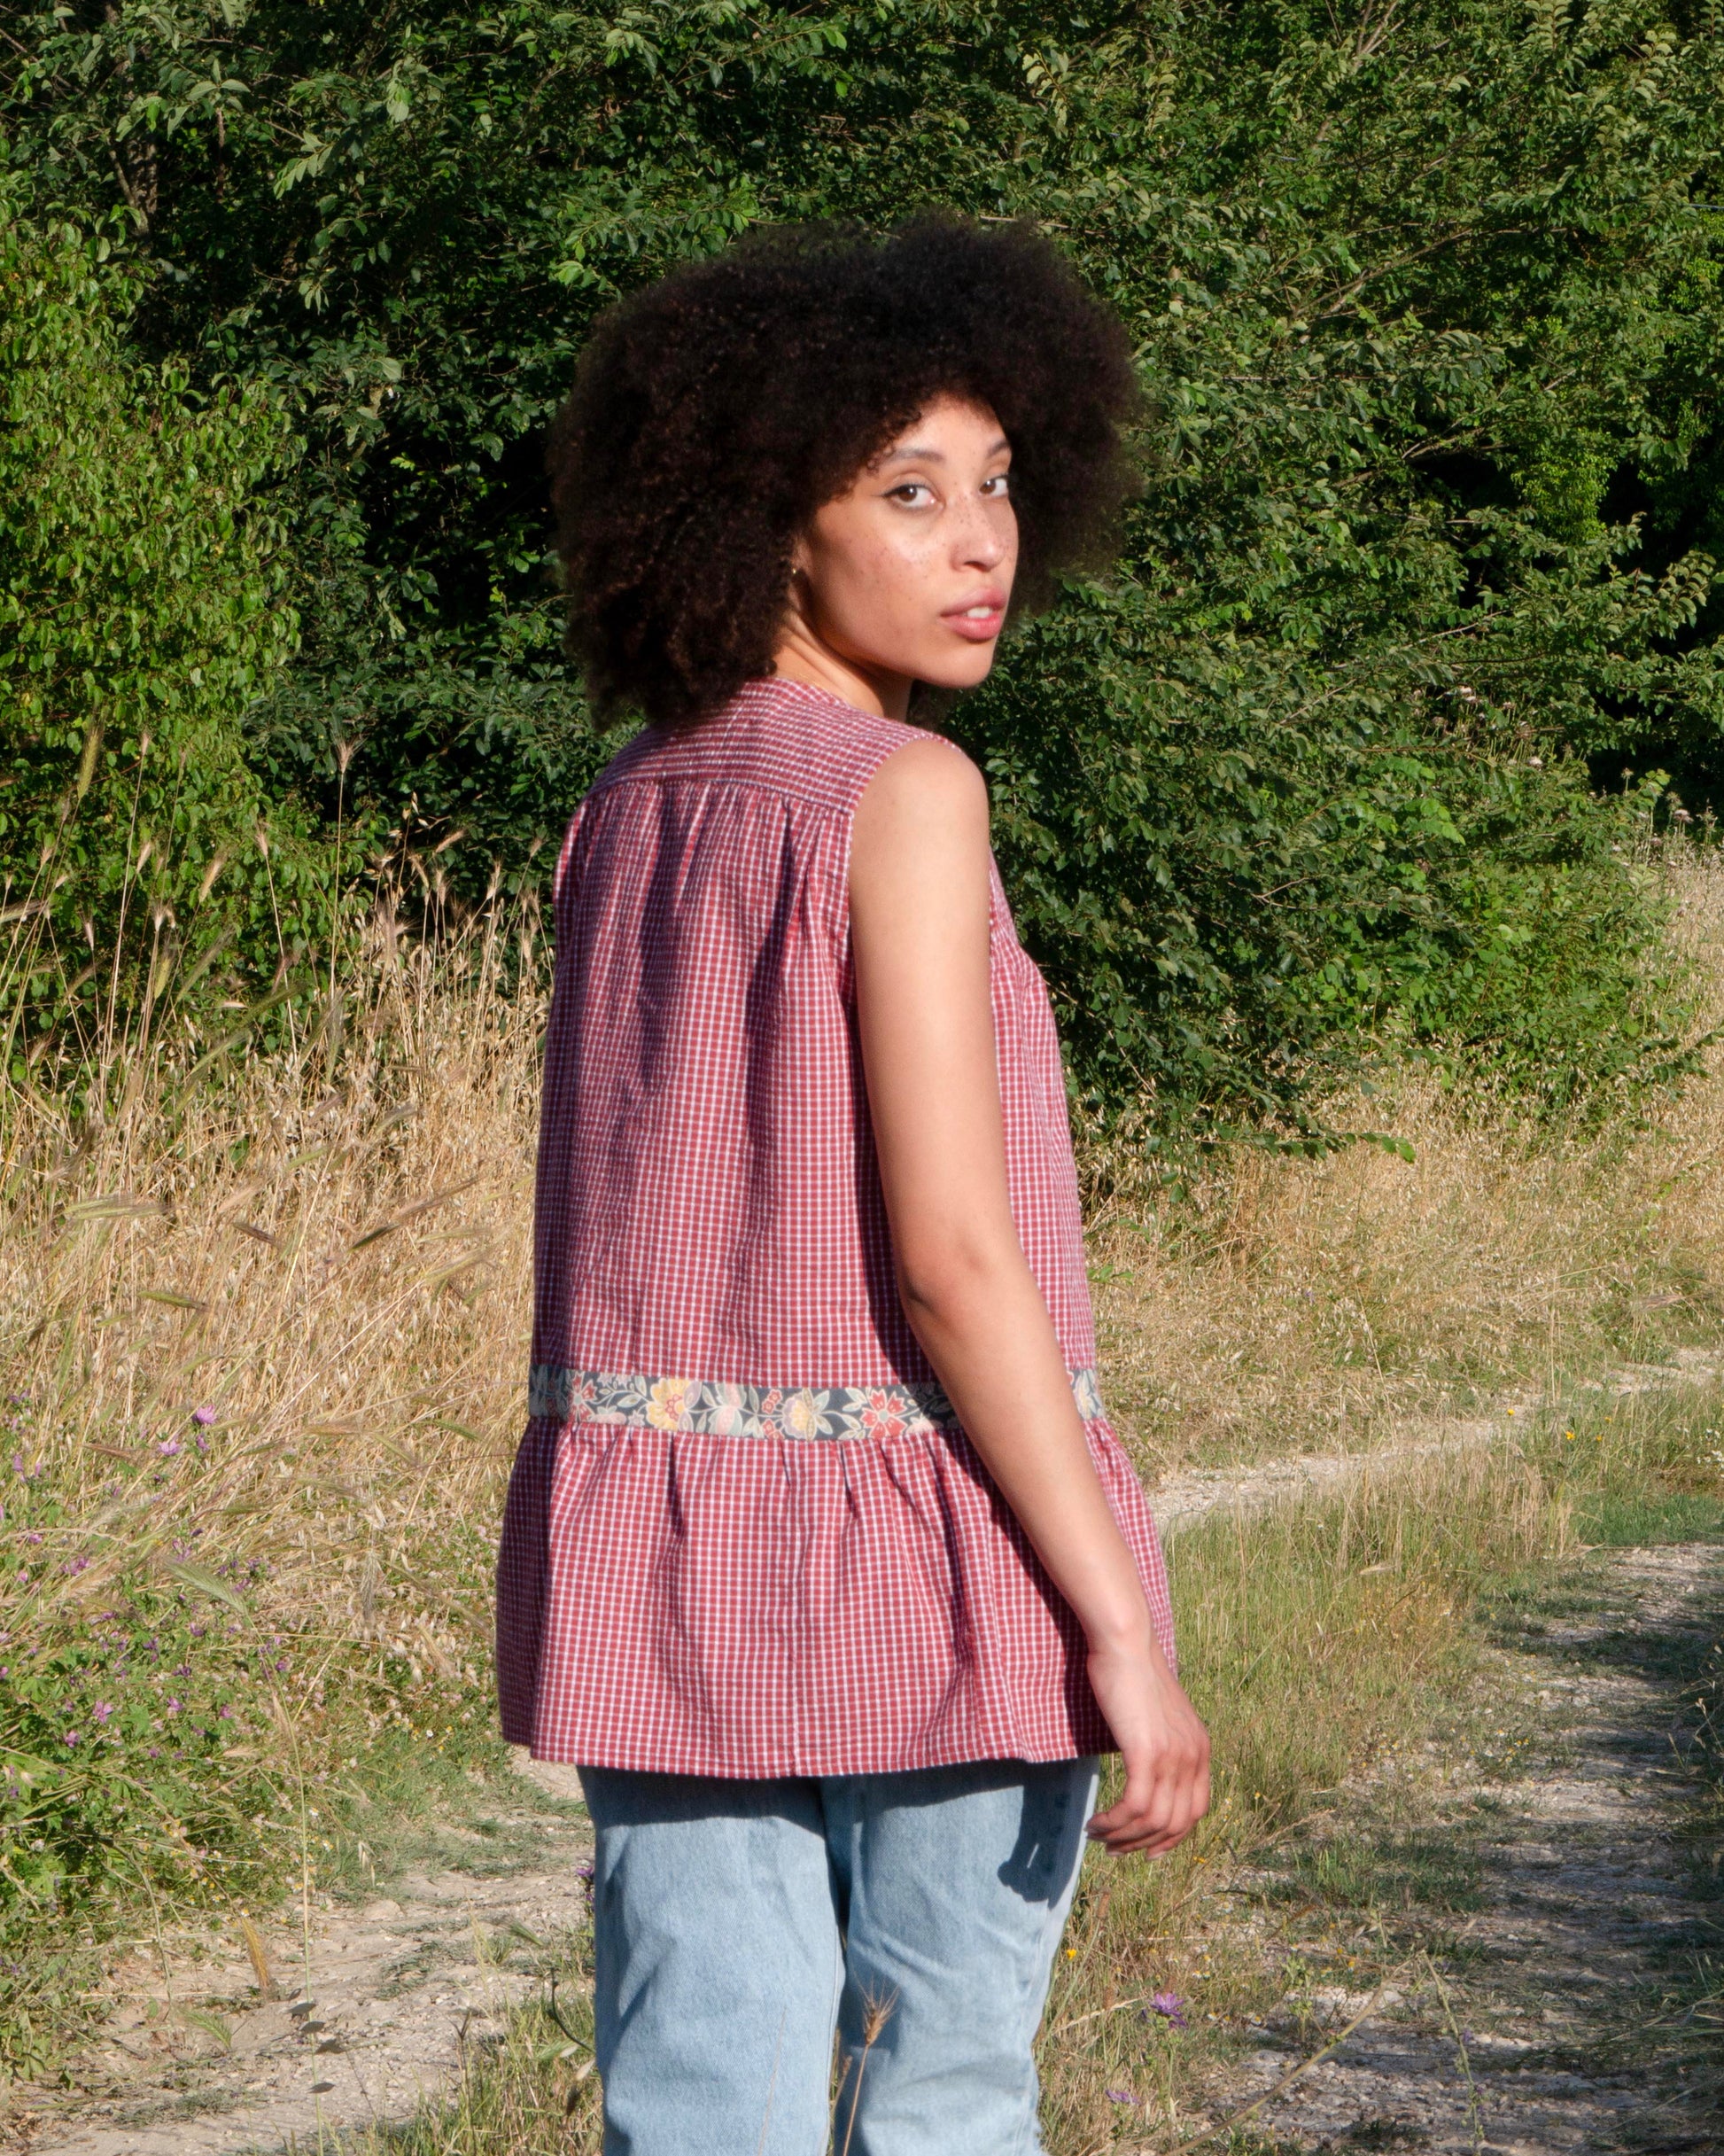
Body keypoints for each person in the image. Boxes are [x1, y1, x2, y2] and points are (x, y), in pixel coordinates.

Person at [496, 216, 1210, 2156]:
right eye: (908, 492)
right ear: (766, 524)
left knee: (695, 2102)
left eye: (997, 484)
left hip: (668, 1565)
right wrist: (1119, 1622)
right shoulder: (905, 793)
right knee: (944, 2096)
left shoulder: (627, 802)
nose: (980, 544)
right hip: (930, 1556)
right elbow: (955, 1263)